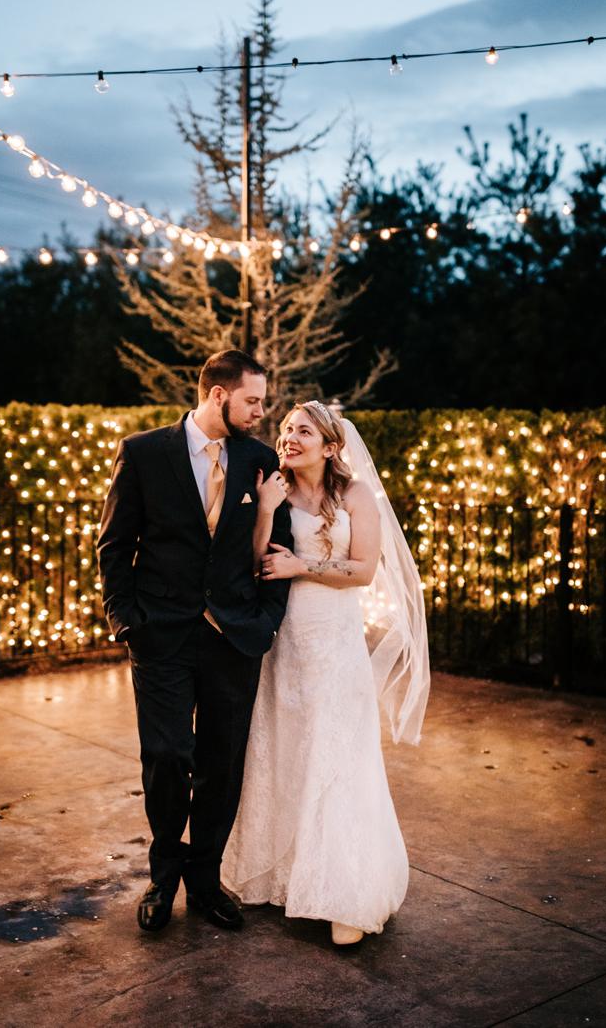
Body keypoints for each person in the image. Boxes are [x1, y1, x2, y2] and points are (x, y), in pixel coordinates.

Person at [96, 350, 294, 934]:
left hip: (234, 640)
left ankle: (205, 881)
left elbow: (278, 551)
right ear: (217, 395)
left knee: (220, 763)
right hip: (161, 636)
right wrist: (126, 621)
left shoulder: (260, 461)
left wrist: (265, 624)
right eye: (253, 401)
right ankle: (163, 875)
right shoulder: (143, 453)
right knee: (166, 755)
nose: (262, 412)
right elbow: (114, 545)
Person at [220, 400, 429, 946]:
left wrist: (302, 565)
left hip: (335, 644)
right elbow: (252, 560)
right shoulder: (274, 487)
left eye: (303, 430)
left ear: (331, 446)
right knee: (284, 749)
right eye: (286, 428)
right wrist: (264, 511)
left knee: (337, 756)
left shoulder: (356, 495)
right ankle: (283, 875)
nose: (289, 437)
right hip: (283, 641)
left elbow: (362, 571)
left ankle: (345, 893)